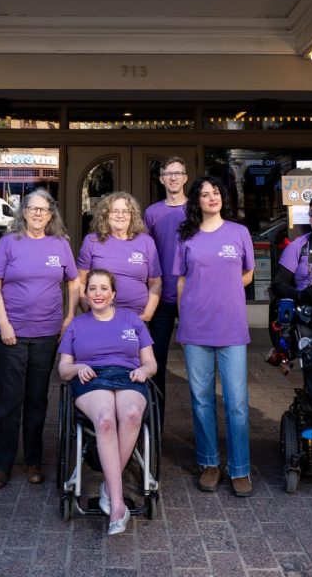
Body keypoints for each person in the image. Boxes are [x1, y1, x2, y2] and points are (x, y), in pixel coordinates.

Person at [0, 188, 79, 488]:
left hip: (46, 334)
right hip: (11, 334)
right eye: (32, 208)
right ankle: (3, 463)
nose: (38, 213)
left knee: (37, 400)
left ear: (51, 215)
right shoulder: (9, 243)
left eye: (44, 209)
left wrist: (69, 317)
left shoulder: (60, 244)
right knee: (10, 401)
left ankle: (34, 460)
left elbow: (74, 282)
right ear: (23, 212)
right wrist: (3, 322)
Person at [58, 268, 157, 536]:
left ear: (113, 293)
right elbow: (63, 369)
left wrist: (144, 371)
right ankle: (117, 504)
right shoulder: (77, 324)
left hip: (128, 376)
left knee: (133, 415)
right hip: (91, 378)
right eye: (92, 288)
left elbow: (151, 363)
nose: (98, 293)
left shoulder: (131, 319)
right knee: (104, 419)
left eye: (103, 288)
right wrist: (78, 368)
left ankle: (107, 485)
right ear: (86, 294)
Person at [175, 175, 255, 497]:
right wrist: (185, 316)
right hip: (196, 327)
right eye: (205, 194)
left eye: (216, 192)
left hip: (232, 326)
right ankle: (209, 464)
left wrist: (228, 289)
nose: (212, 198)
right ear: (196, 201)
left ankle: (240, 469)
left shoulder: (239, 233)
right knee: (201, 400)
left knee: (237, 402)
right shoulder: (187, 236)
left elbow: (248, 274)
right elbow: (181, 280)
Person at [144, 157, 188, 422]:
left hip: (192, 298)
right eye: (168, 173)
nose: (173, 178)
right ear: (161, 179)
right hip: (159, 297)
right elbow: (146, 253)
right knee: (156, 363)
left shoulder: (196, 209)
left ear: (185, 178)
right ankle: (155, 428)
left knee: (199, 367)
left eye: (178, 173)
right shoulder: (152, 213)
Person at [78, 191, 161, 321]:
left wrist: (147, 315)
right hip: (100, 317)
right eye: (115, 211)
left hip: (136, 317)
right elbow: (81, 281)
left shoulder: (146, 242)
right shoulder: (92, 241)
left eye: (126, 211)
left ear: (132, 216)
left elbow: (155, 284)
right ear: (106, 215)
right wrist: (89, 311)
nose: (120, 215)